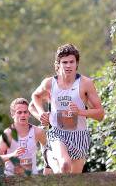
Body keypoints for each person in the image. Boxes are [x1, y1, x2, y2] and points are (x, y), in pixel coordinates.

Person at [30, 43, 104, 174]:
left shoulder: (86, 83)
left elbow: (100, 115)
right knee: (64, 165)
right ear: (58, 64)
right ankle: (49, 154)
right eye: (64, 62)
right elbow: (35, 96)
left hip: (79, 135)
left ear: (77, 63)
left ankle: (50, 160)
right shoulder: (49, 83)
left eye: (71, 62)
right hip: (57, 133)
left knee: (73, 179)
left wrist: (80, 112)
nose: (68, 66)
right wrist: (41, 113)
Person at [0, 98, 47, 175]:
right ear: (12, 115)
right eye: (19, 112)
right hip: (12, 179)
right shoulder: (8, 134)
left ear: (29, 114)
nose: (23, 115)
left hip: (33, 179)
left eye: (25, 112)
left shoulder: (38, 132)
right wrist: (12, 155)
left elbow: (48, 150)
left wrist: (47, 167)